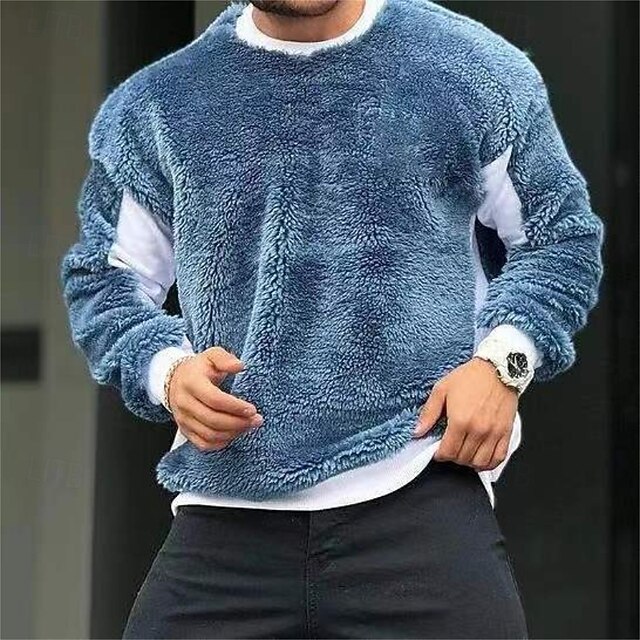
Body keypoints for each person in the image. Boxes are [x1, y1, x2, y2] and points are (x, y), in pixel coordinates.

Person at [59, 0, 605, 637]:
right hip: (228, 508)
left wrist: (503, 362)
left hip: (419, 491)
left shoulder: (469, 70)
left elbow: (559, 238)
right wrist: (167, 372)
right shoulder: (159, 105)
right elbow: (104, 280)